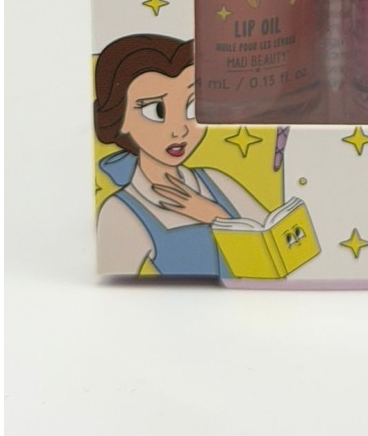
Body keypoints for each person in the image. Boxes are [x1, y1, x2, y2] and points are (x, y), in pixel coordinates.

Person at [95, 35, 266, 276]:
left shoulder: (215, 180)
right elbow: (114, 286)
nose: (180, 130)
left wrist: (214, 215)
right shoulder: (121, 210)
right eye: (156, 111)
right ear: (120, 119)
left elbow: (276, 250)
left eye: (192, 107)